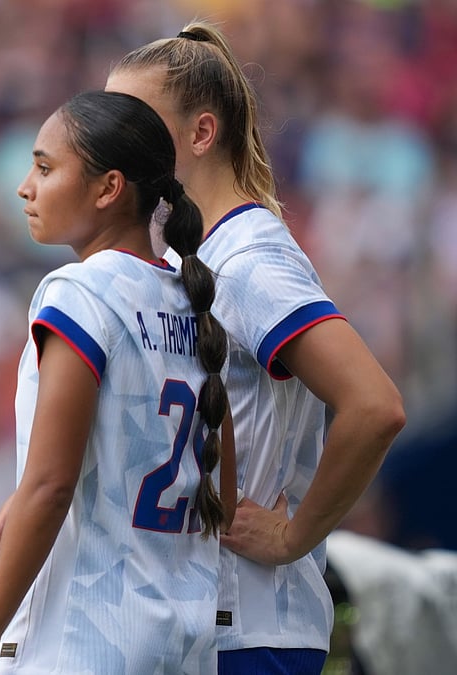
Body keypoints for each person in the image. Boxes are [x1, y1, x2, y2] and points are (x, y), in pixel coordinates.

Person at [100, 21, 407, 674]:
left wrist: (297, 534)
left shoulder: (251, 262)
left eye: (137, 121)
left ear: (202, 134)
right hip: (205, 627)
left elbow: (374, 405)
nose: (114, 142)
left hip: (256, 632)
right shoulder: (197, 255)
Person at [0, 90, 237, 674]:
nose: (24, 187)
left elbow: (52, 486)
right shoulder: (197, 303)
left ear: (109, 189)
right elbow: (223, 494)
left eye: (44, 167)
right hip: (185, 642)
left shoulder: (79, 292)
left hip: (88, 640)